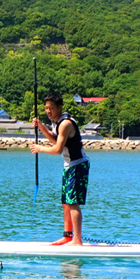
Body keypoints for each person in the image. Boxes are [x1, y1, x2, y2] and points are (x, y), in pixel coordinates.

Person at [30, 92, 90, 246]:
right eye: (46, 108)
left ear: (60, 107)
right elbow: (55, 139)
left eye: (51, 108)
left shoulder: (65, 124)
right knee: (66, 202)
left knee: (73, 202)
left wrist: (40, 148)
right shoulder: (56, 123)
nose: (48, 111)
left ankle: (77, 240)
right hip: (69, 166)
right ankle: (67, 236)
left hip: (77, 166)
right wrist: (41, 126)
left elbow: (57, 149)